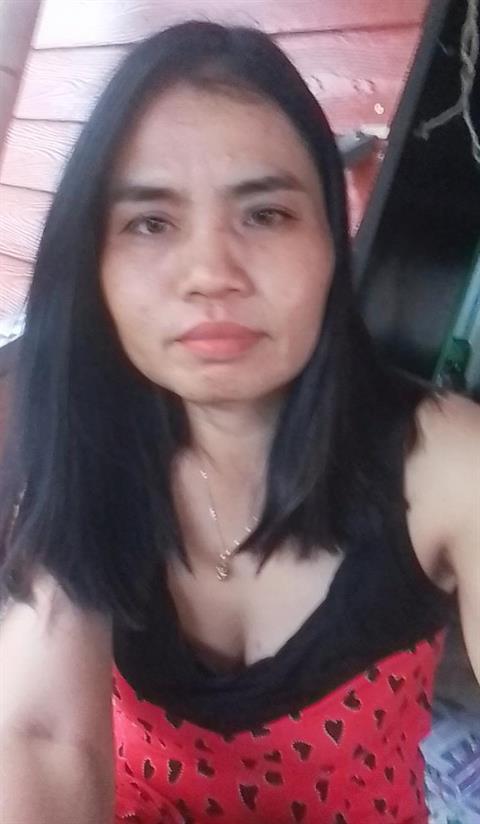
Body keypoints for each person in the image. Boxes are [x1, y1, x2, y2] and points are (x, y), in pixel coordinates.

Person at [0, 20, 478, 824]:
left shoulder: (445, 462)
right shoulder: (85, 443)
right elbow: (44, 737)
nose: (210, 273)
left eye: (265, 214)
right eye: (151, 223)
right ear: (95, 264)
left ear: (330, 238)